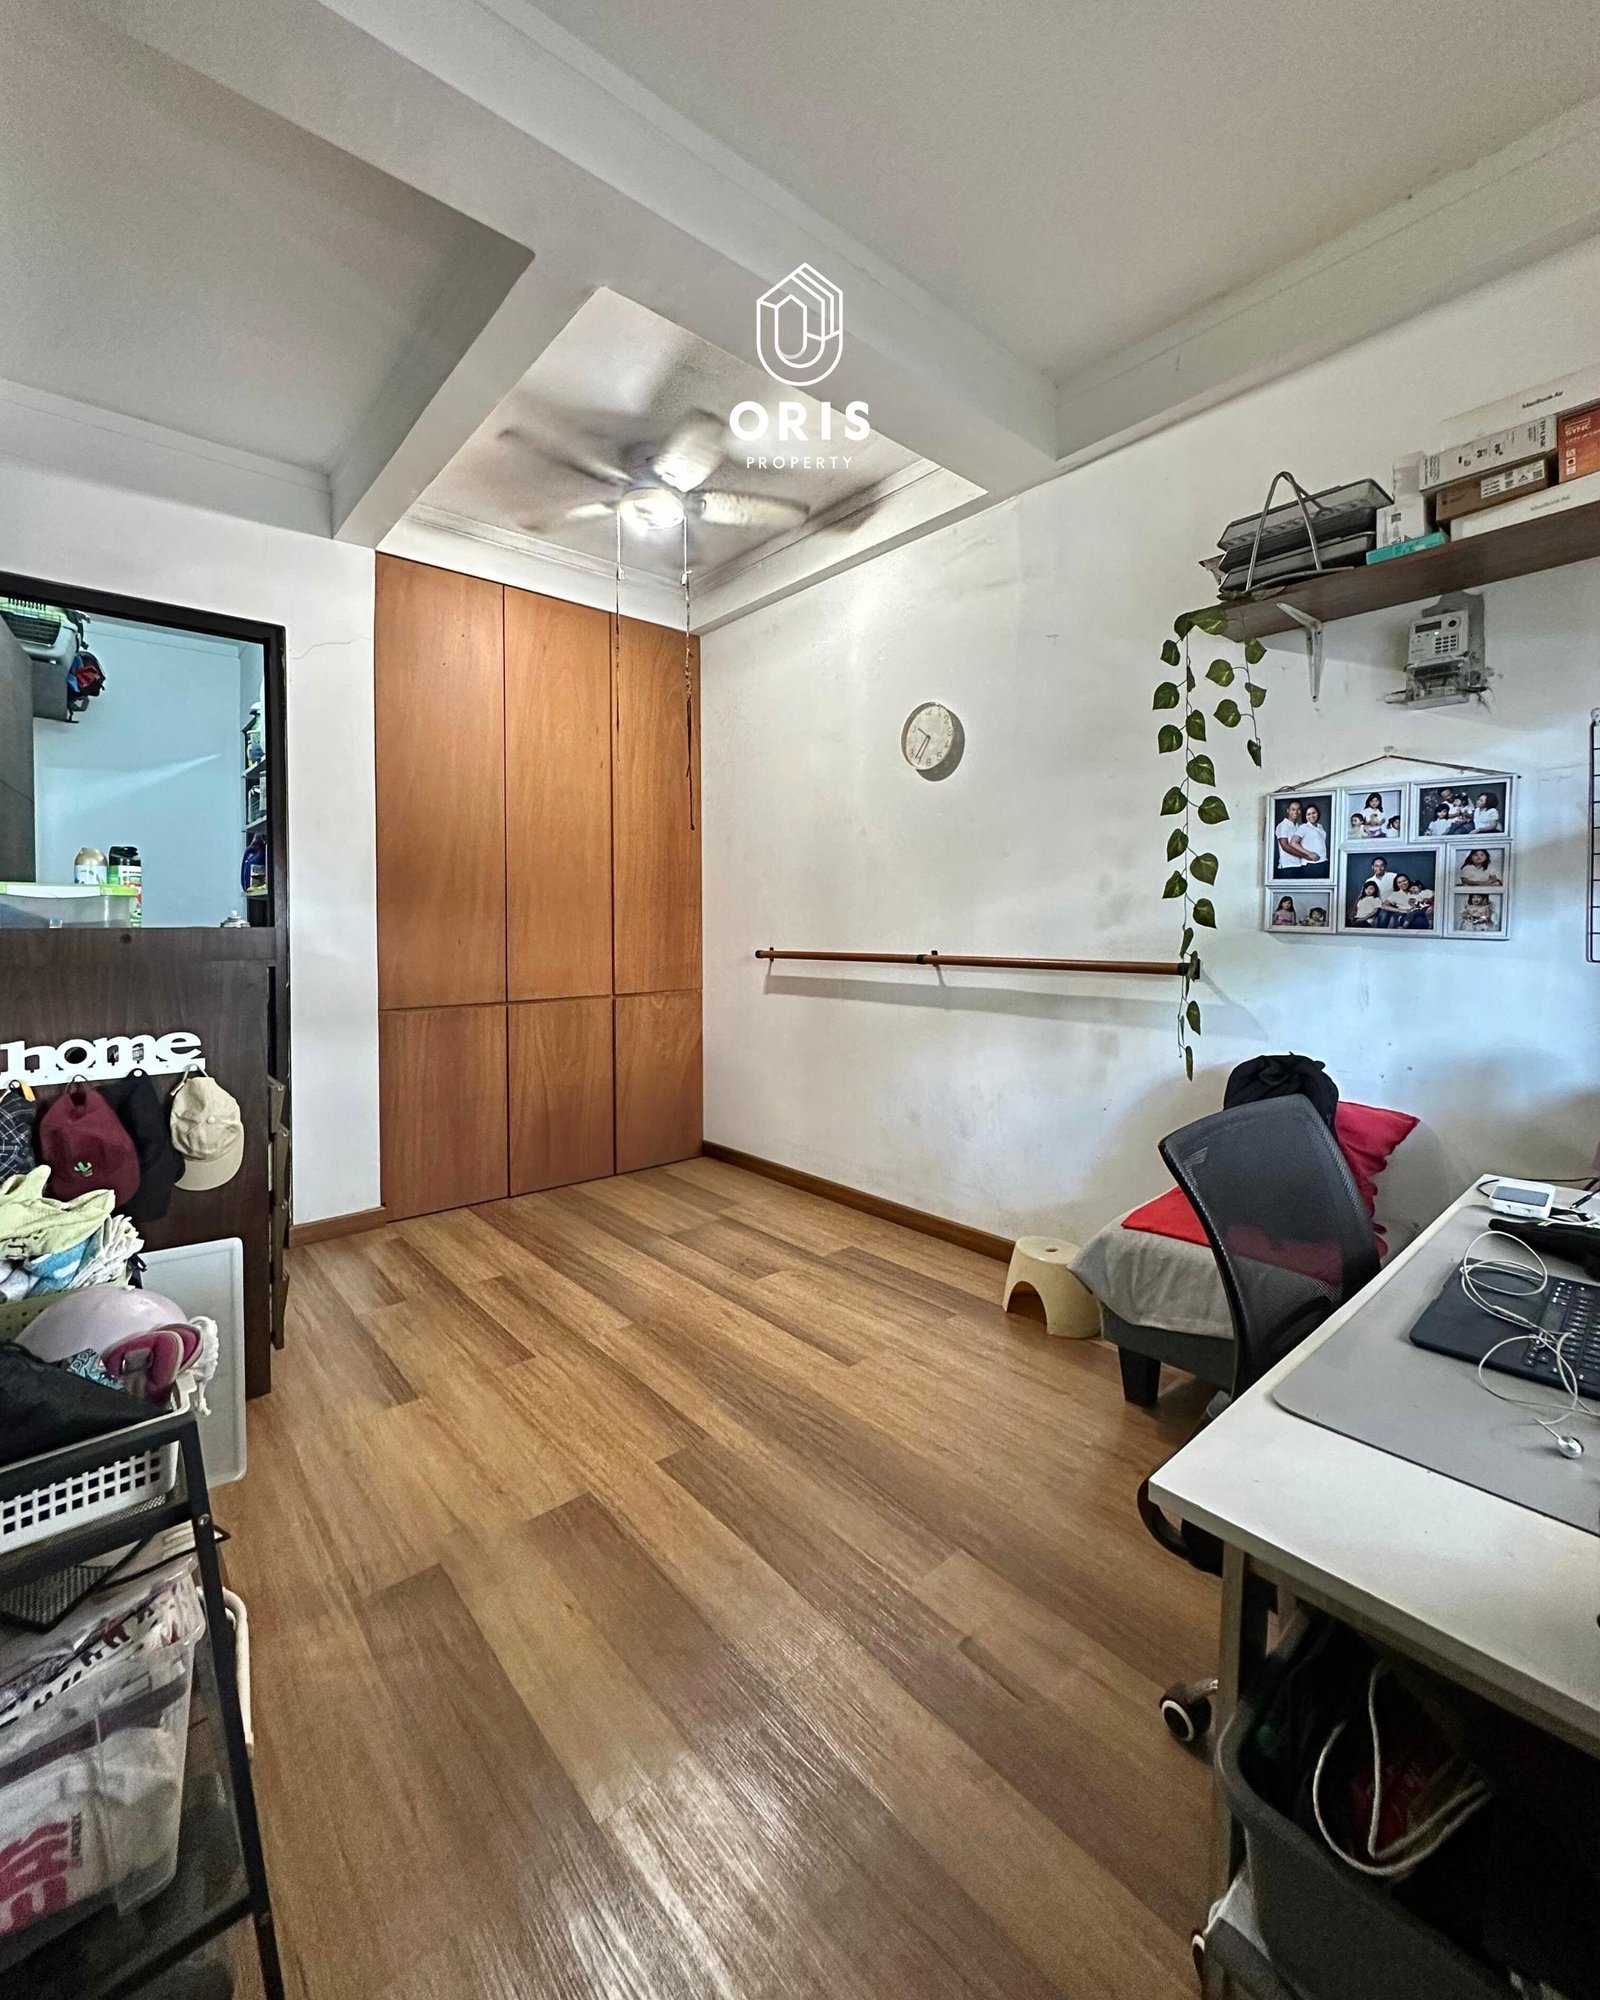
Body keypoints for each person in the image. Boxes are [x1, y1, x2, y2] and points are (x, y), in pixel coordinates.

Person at [1274, 799, 1317, 873]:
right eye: (1293, 809)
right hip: (1287, 866)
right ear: (1288, 811)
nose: (1296, 812)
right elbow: (1285, 846)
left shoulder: (1299, 827)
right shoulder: (1283, 825)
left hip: (1300, 865)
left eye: (1298, 809)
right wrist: (1306, 856)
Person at [1296, 803, 1329, 876]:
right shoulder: (1303, 827)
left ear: (1318, 813)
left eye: (1314, 813)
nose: (1312, 816)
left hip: (1323, 862)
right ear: (1305, 816)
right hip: (1311, 864)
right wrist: (1309, 854)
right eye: (1308, 814)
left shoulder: (1320, 826)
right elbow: (1293, 843)